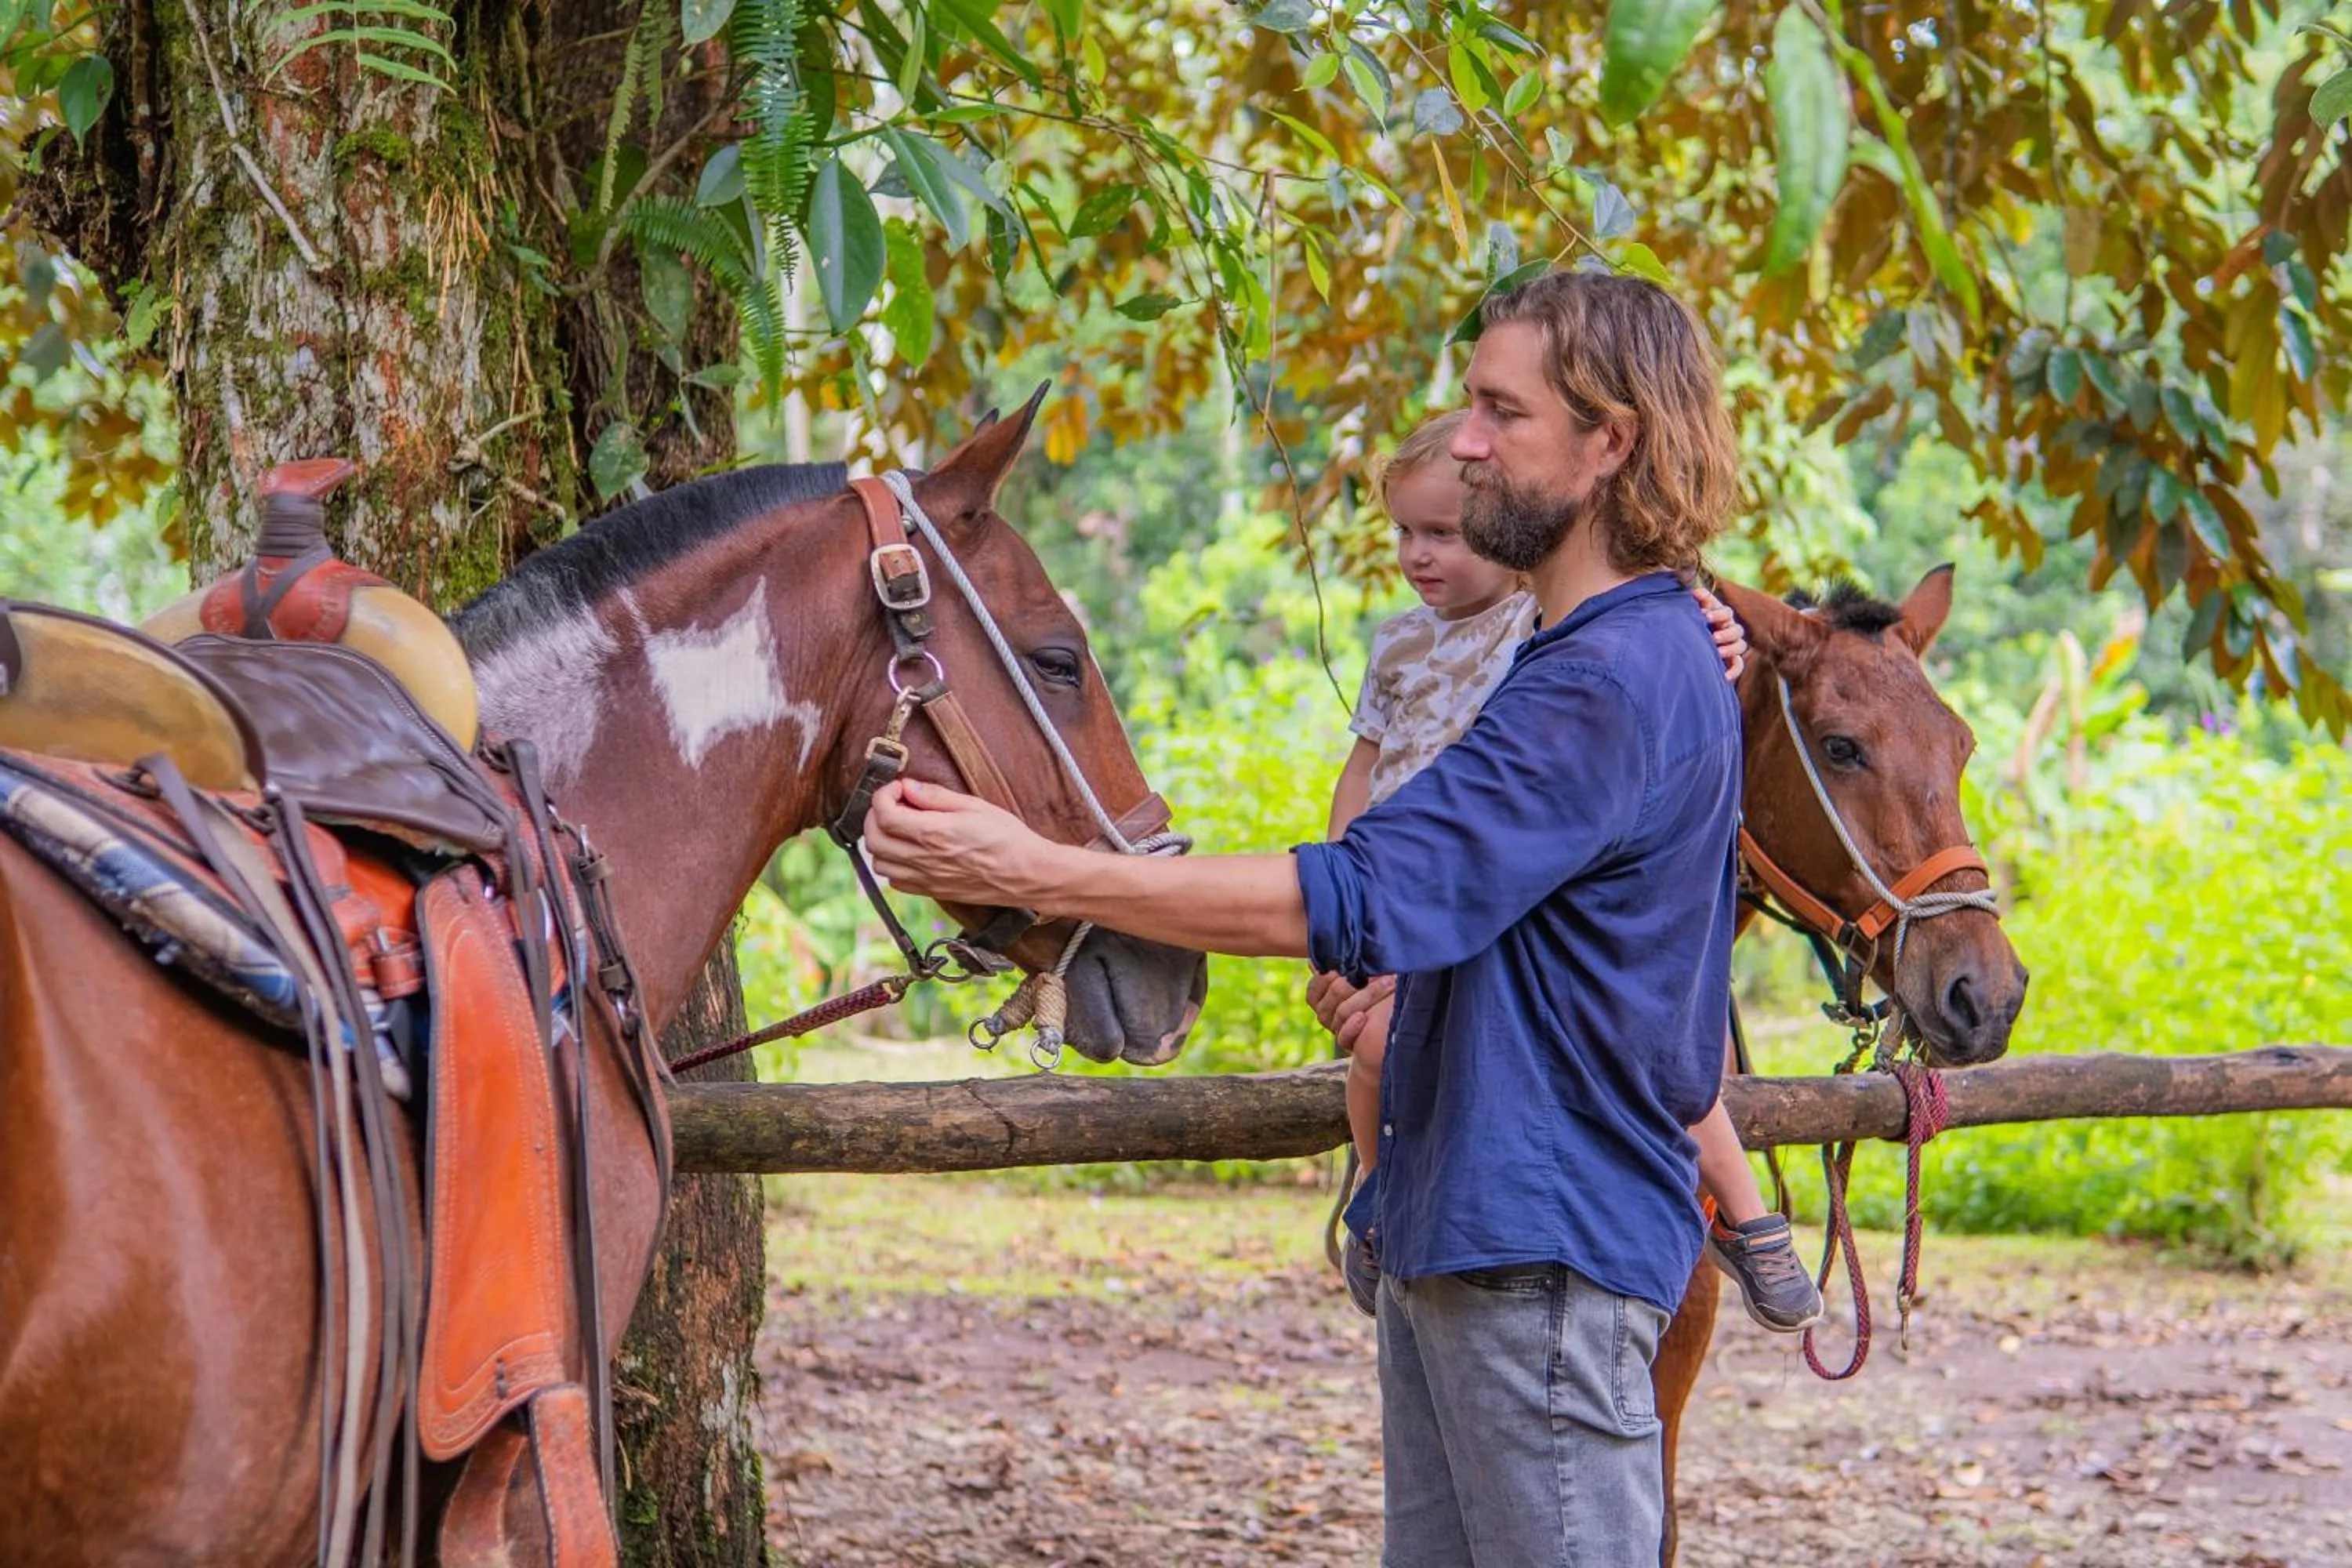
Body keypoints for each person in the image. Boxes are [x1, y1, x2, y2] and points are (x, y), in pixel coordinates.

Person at [867, 269, 1750, 1567]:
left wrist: (1040, 871)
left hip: (1541, 1258)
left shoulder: (1611, 679)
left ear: (1611, 442)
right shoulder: (1595, 654)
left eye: (1501, 413)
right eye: (1469, 408)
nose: (1464, 442)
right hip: (1477, 1239)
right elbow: (1427, 877)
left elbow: (1363, 894)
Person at [1324, 408, 1824, 1336]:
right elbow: (1365, 766)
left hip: (1508, 882)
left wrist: (1711, 618)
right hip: (1413, 890)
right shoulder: (1398, 643)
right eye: (1404, 531)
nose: (1419, 555)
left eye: (1445, 532)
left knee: (1663, 1062)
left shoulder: (1540, 617)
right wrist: (1343, 909)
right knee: (1375, 1051)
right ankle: (1380, 1195)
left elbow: (1642, 608)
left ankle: (1754, 1220)